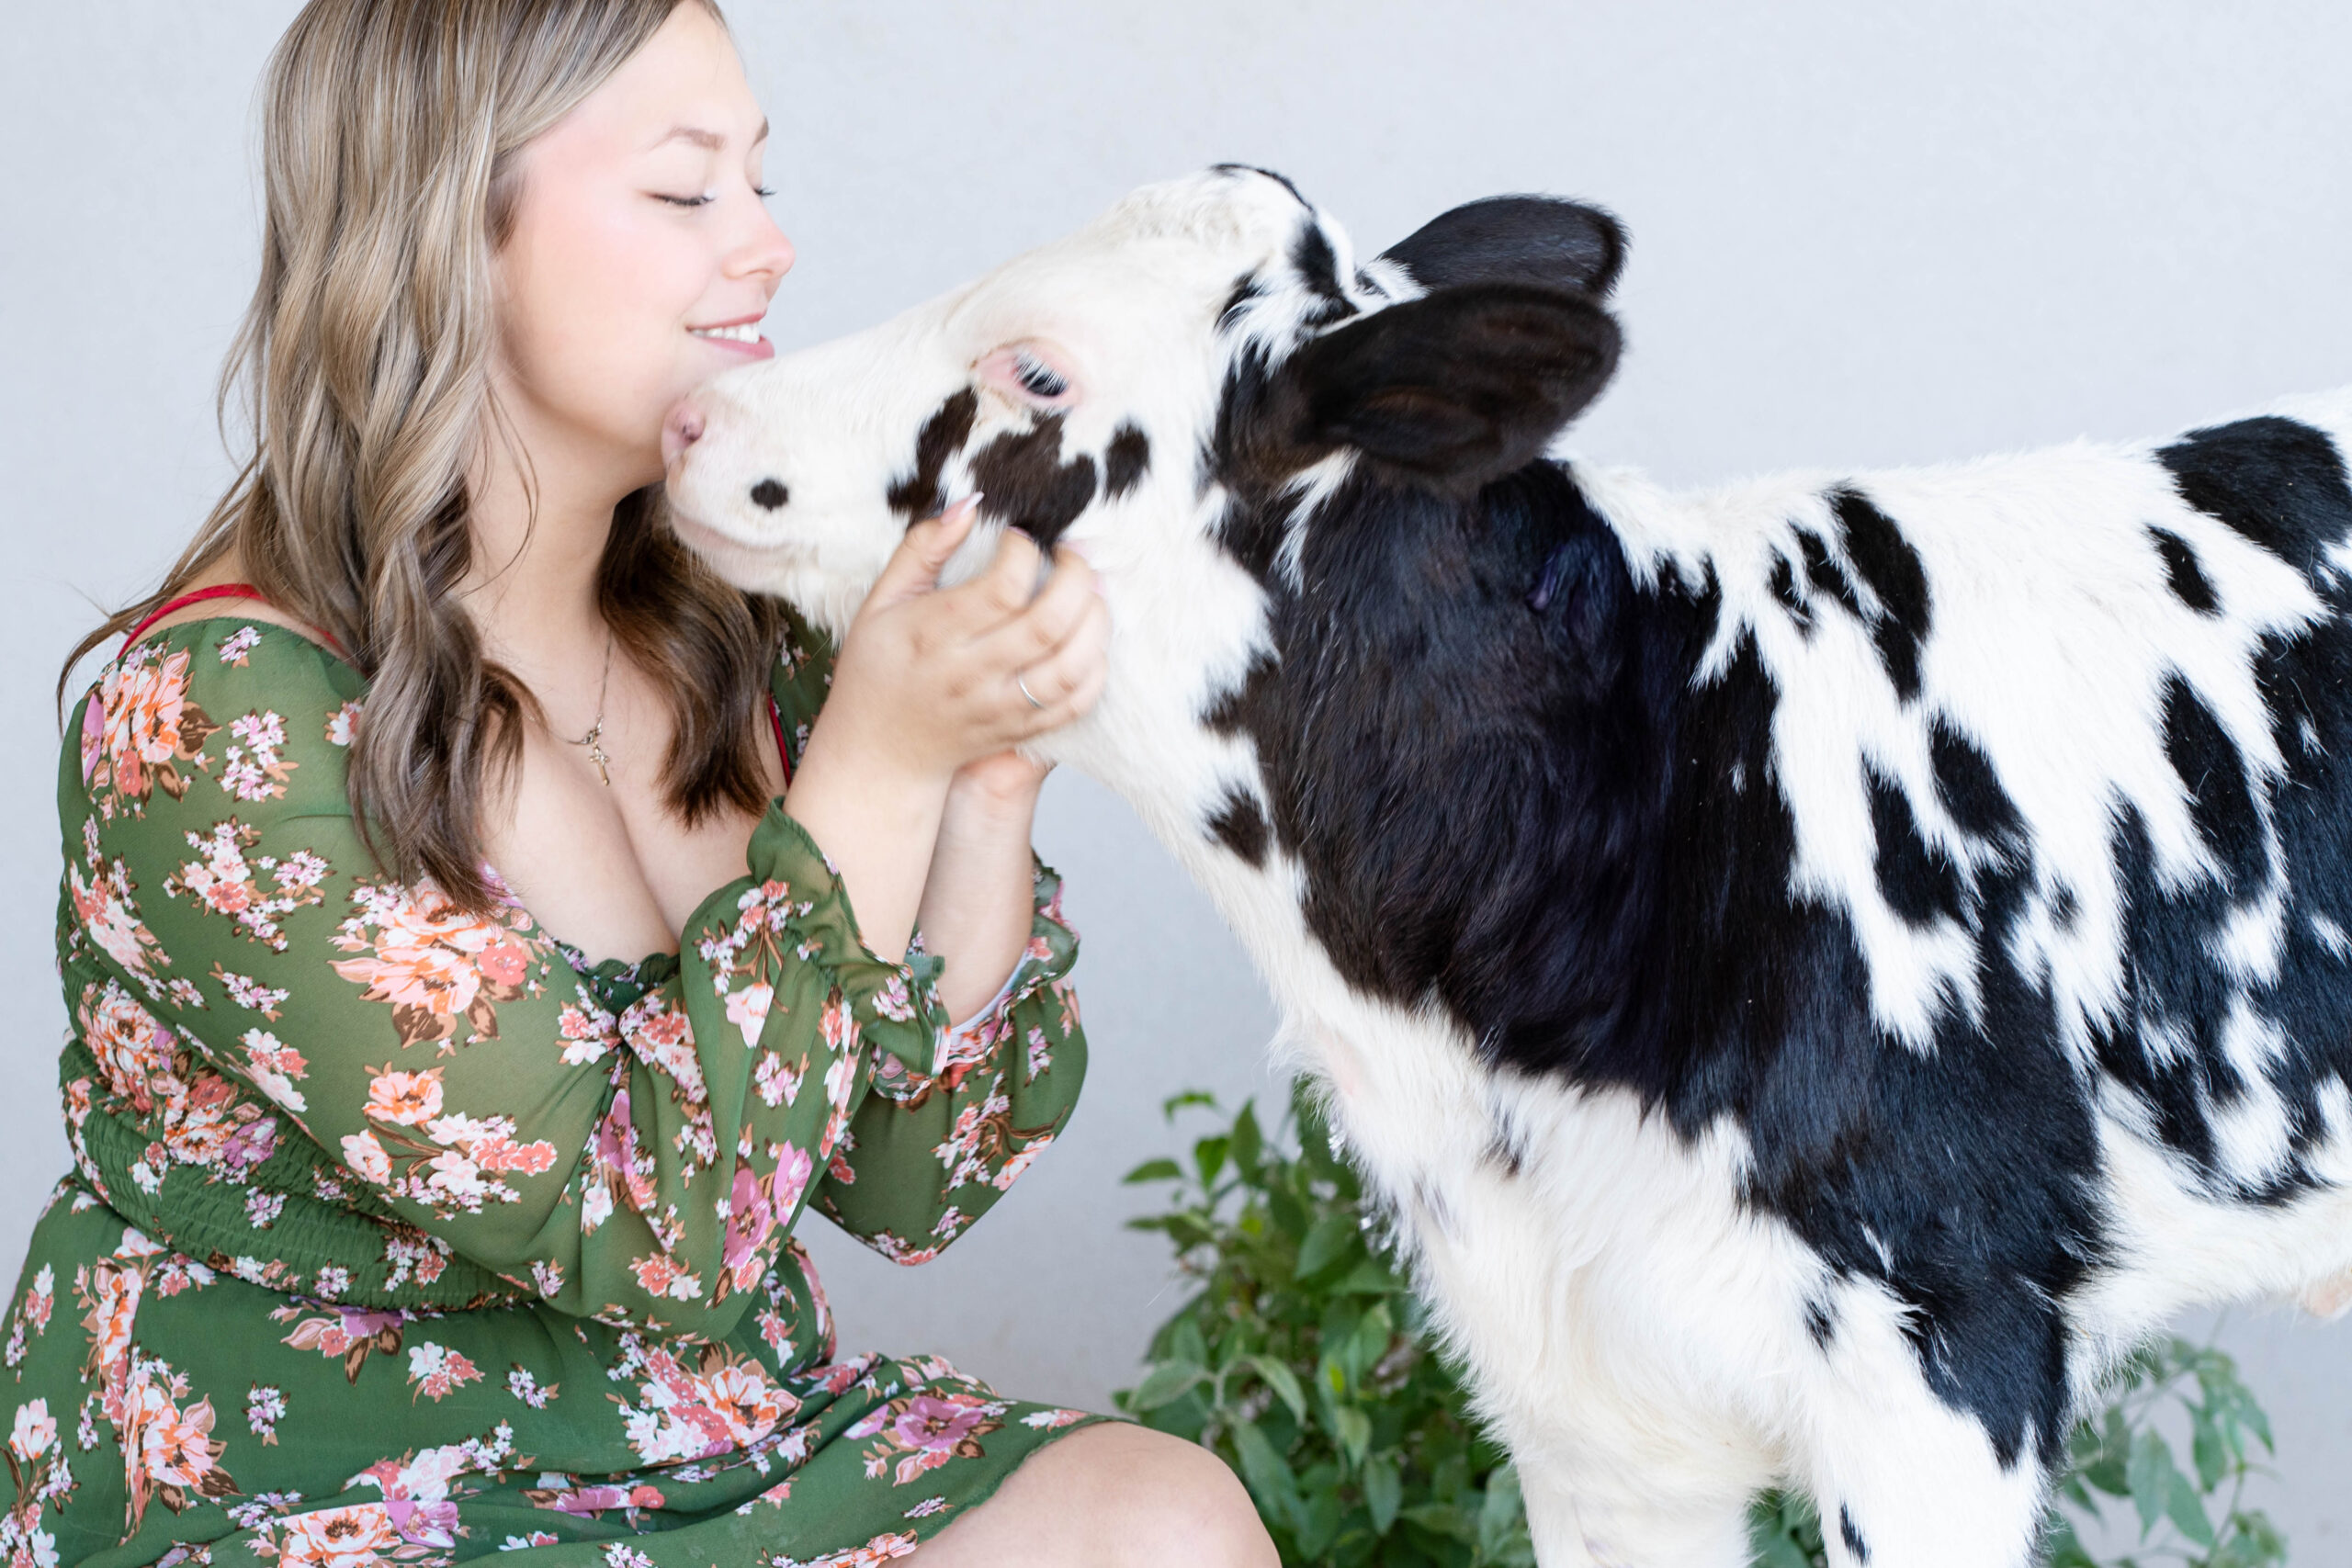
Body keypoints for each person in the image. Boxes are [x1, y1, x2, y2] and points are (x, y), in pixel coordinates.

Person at [14, 2, 1275, 1563]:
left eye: (761, 182)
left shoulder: (727, 614)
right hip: (349, 1502)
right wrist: (878, 755)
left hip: (710, 1448)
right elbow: (647, 1230)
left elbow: (908, 1178)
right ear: (452, 226)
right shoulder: (220, 721)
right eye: (689, 193)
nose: (769, 248)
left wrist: (977, 780)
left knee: (1165, 1521)